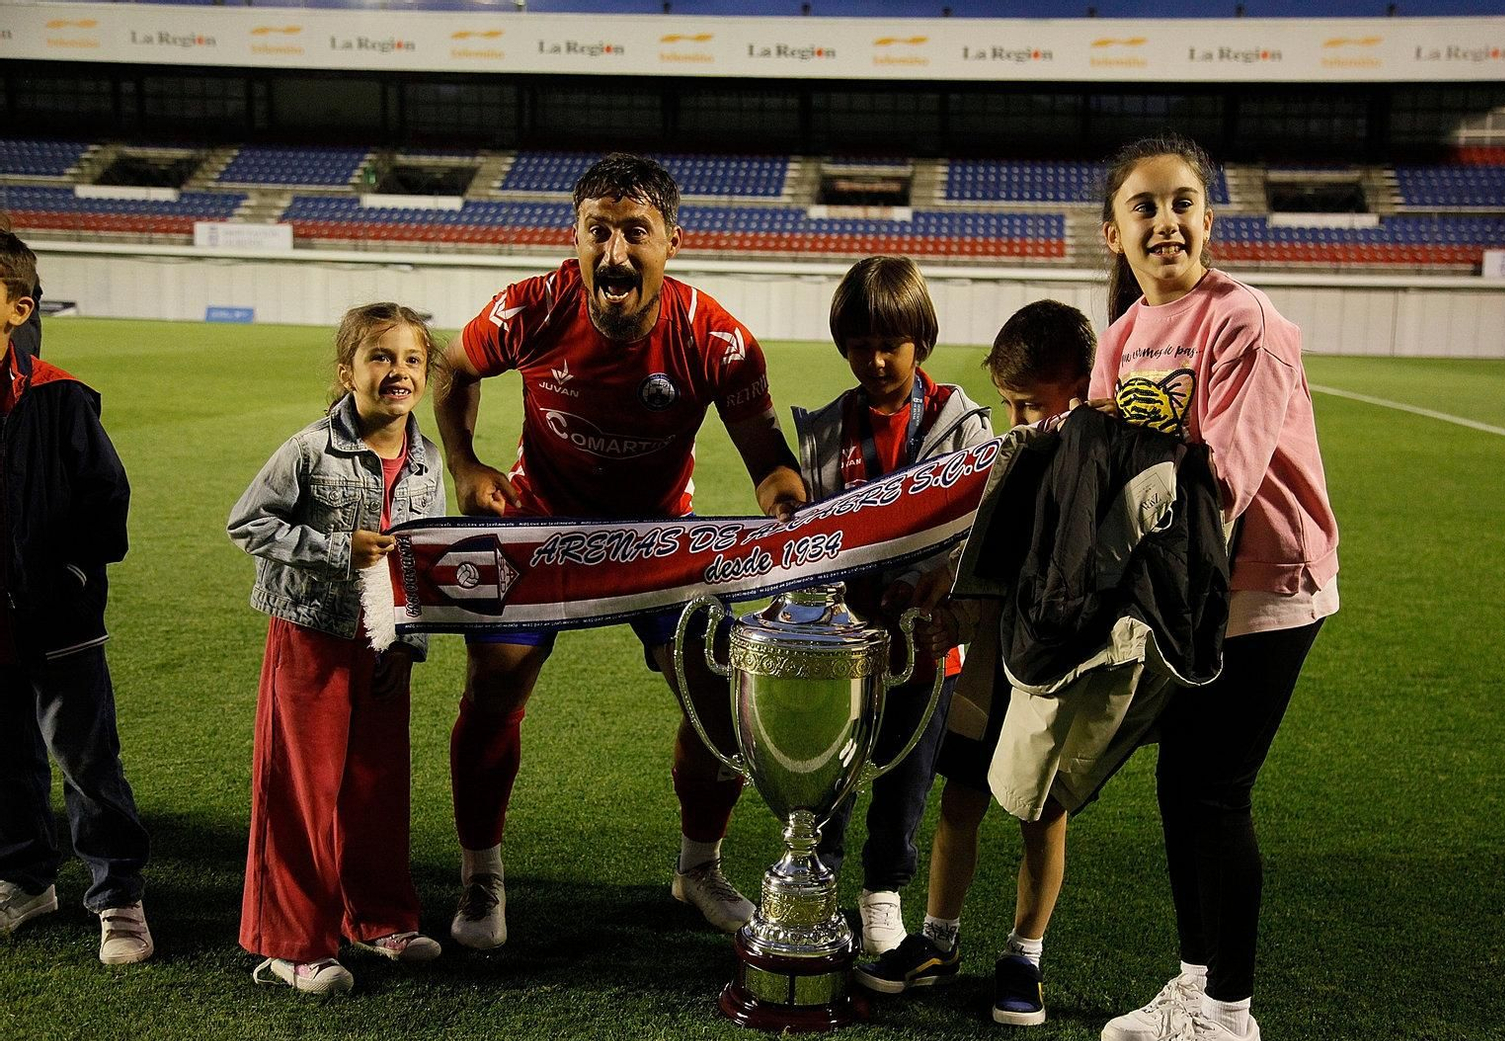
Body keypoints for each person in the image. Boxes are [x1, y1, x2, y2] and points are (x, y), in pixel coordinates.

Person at [434, 153, 806, 948]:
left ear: (672, 241)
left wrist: (786, 501)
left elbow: (768, 455)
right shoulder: (530, 307)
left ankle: (697, 868)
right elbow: (453, 366)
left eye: (635, 232)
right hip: (542, 526)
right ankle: (480, 878)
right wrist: (464, 463)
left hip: (656, 539)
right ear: (574, 238)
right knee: (493, 683)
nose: (613, 253)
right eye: (596, 232)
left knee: (719, 704)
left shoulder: (717, 339)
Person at [1092, 135, 1340, 1041]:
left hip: (1266, 587)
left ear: (1208, 216)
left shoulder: (1247, 321)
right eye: (1145, 207)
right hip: (1181, 595)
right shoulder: (1120, 337)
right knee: (1177, 787)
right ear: (1114, 232)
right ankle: (1195, 986)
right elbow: (1105, 467)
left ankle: (1233, 1026)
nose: (1167, 221)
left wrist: (1114, 551)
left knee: (1216, 790)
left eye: (1184, 201)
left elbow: (1223, 483)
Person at [857, 299, 1097, 1026]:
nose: (1020, 420)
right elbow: (979, 559)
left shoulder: (1097, 461)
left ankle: (1025, 955)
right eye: (1010, 404)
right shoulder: (1011, 455)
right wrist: (953, 614)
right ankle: (938, 938)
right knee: (959, 798)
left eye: (1034, 403)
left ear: (1084, 388)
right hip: (988, 664)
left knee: (1040, 812)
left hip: (1055, 672)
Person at [228, 302, 447, 994]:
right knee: (302, 789)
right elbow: (247, 522)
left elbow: (424, 562)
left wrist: (409, 643)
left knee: (379, 785)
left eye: (412, 358)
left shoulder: (428, 460)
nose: (398, 371)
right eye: (380, 356)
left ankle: (379, 918)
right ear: (346, 370)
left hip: (385, 643)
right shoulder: (308, 449)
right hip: (312, 638)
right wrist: (334, 549)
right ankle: (292, 944)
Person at [791, 256, 992, 955]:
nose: (874, 360)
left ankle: (883, 892)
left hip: (930, 642)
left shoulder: (962, 424)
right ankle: (815, 881)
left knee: (908, 770)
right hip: (844, 644)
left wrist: (944, 577)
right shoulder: (823, 429)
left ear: (921, 340)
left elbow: (982, 532)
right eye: (859, 343)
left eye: (890, 344)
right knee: (834, 766)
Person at [0, 230, 154, 966]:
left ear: (17, 307)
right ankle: (26, 878)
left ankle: (118, 893)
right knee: (5, 754)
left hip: (57, 616)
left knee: (86, 758)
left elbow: (106, 497)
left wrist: (66, 575)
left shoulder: (59, 395)